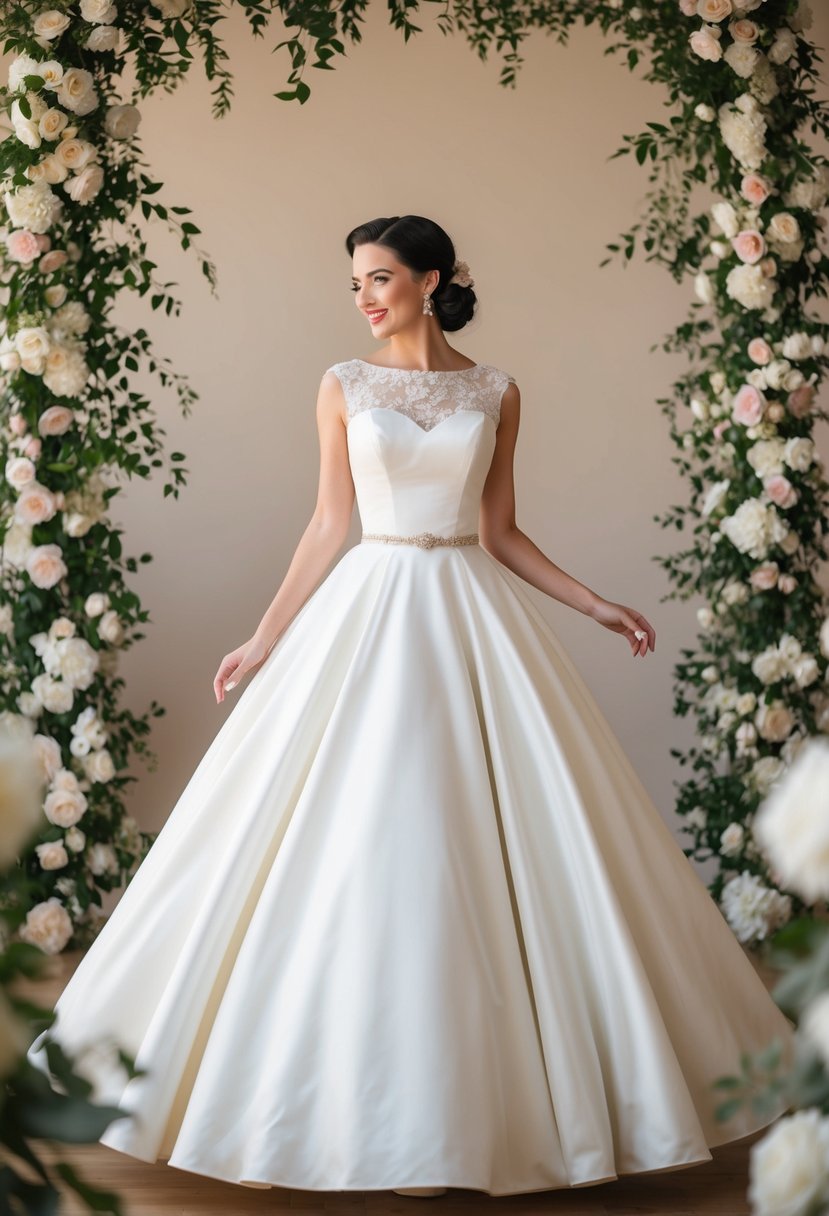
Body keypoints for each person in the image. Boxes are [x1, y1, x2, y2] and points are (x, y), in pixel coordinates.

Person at [27, 214, 795, 1201]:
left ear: (432, 281)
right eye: (355, 283)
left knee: (496, 840)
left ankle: (496, 1111)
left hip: (472, 612)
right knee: (351, 834)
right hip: (368, 608)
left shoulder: (496, 389)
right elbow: (328, 522)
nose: (364, 297)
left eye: (380, 278)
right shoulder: (343, 385)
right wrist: (262, 639)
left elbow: (503, 531)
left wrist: (594, 602)